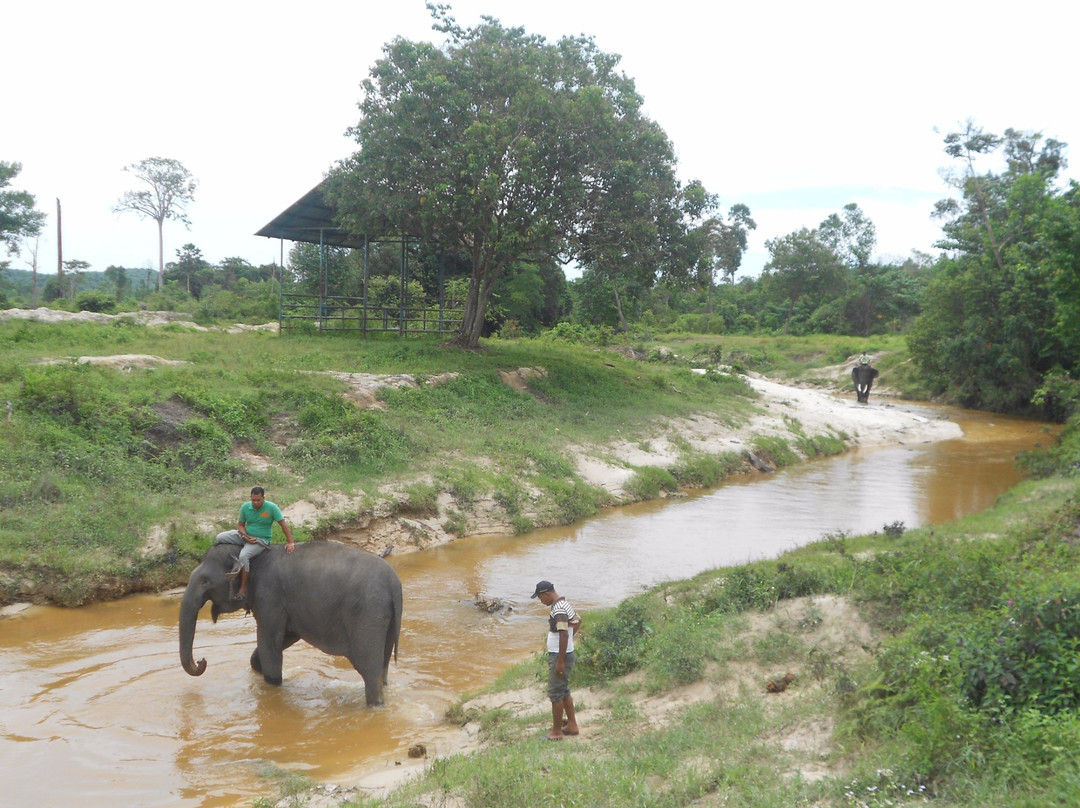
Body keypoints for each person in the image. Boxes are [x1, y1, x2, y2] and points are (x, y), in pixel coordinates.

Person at [217, 486, 295, 600]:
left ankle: (243, 589)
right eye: (253, 500)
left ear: (264, 498)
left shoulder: (272, 508)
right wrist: (245, 536)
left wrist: (290, 542)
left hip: (260, 540)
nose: (256, 502)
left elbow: (283, 525)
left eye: (258, 500)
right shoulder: (245, 507)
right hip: (245, 535)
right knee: (220, 537)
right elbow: (241, 525)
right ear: (250, 498)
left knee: (244, 556)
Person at [531, 579, 582, 740]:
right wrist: (570, 641)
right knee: (563, 690)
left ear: (546, 594)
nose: (540, 601)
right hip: (565, 653)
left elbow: (563, 634)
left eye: (540, 597)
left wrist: (560, 661)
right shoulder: (564, 604)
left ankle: (556, 732)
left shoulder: (558, 609)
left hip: (560, 656)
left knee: (555, 692)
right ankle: (572, 725)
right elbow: (578, 620)